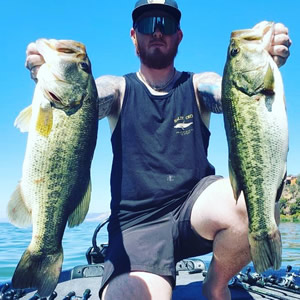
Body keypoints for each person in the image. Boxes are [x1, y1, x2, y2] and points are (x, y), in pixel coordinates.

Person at [25, 1, 292, 299]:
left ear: (178, 36)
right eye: (146, 24)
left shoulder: (197, 85)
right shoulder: (117, 89)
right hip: (136, 224)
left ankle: (215, 284)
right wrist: (55, 76)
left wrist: (261, 65)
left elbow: (227, 92)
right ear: (133, 36)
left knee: (253, 205)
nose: (156, 32)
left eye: (165, 24)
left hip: (196, 211)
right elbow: (88, 98)